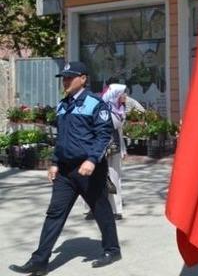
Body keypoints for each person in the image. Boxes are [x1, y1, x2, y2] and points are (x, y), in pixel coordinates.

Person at [10, 62, 121, 275]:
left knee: (101, 210)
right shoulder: (62, 105)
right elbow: (61, 139)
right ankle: (39, 260)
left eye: (70, 77)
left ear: (83, 78)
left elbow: (103, 135)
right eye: (64, 78)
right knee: (54, 213)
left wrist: (91, 160)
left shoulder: (95, 103)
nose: (66, 81)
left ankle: (112, 250)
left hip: (89, 170)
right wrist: (54, 162)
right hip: (65, 172)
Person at [101, 84, 129, 220]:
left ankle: (116, 209)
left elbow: (120, 131)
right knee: (107, 178)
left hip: (115, 148)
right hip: (104, 148)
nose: (125, 96)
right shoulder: (108, 110)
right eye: (122, 93)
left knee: (114, 178)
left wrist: (123, 149)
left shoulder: (119, 109)